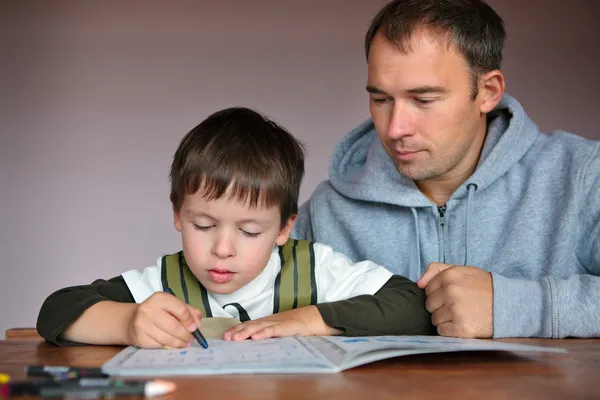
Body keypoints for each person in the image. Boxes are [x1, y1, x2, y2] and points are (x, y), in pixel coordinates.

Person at [292, 0, 600, 339]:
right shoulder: (326, 212)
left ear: (488, 92)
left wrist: (514, 307)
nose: (395, 129)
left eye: (423, 101)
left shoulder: (582, 176)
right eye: (381, 100)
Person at [36, 107, 434, 348]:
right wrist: (128, 322)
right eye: (204, 225)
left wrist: (304, 320)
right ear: (177, 214)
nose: (223, 249)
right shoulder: (164, 280)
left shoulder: (315, 268)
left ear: (284, 228)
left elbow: (413, 305)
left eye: (249, 232)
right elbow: (56, 310)